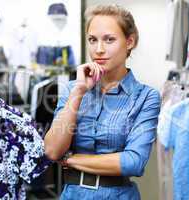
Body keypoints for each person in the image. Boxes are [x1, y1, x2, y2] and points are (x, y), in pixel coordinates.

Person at [44, 4, 161, 199]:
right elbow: (52, 150)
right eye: (92, 40)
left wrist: (70, 159)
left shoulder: (146, 97)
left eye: (109, 40)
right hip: (72, 194)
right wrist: (79, 92)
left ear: (130, 42)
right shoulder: (72, 89)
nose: (98, 49)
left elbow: (133, 162)